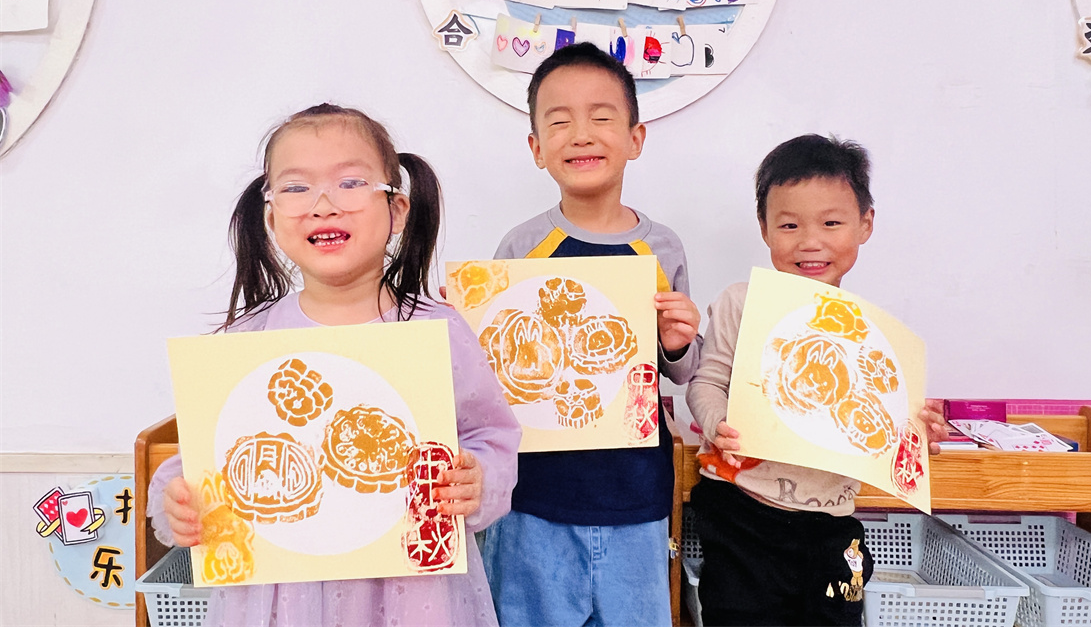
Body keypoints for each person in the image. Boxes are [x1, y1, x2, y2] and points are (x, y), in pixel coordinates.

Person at [149, 103, 521, 627]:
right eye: (296, 187)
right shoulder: (250, 338)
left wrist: (476, 478)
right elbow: (203, 455)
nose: (323, 205)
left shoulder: (438, 330)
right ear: (271, 218)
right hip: (281, 596)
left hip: (413, 592)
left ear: (396, 210)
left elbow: (491, 434)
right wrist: (179, 500)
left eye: (350, 183)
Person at [479, 43, 702, 627]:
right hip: (533, 499)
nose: (581, 135)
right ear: (536, 148)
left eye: (602, 117)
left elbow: (682, 369)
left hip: (637, 496)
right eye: (559, 122)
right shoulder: (520, 247)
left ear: (635, 138)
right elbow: (493, 375)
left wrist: (677, 339)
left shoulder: (662, 247)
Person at [686, 133, 948, 627]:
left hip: (832, 523)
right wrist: (718, 422)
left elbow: (885, 429)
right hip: (743, 513)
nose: (810, 241)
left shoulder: (871, 333)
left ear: (865, 224)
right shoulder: (743, 301)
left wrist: (918, 431)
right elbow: (706, 381)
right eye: (789, 225)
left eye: (831, 223)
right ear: (764, 229)